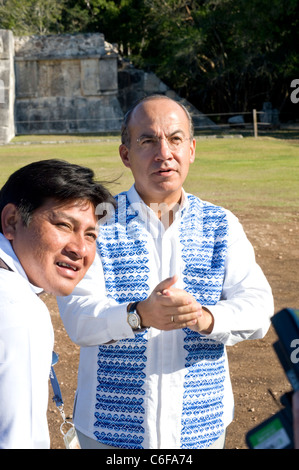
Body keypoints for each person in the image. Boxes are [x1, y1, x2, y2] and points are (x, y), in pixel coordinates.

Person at [57, 95, 274, 449]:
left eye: (174, 139)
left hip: (200, 428)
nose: (164, 152)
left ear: (191, 149)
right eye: (147, 140)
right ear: (125, 154)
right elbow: (79, 317)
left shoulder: (220, 224)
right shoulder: (94, 222)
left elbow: (259, 307)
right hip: (109, 433)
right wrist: (139, 315)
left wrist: (205, 317)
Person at [0, 159, 115, 449]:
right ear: (12, 220)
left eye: (90, 234)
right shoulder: (19, 310)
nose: (80, 249)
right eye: (64, 225)